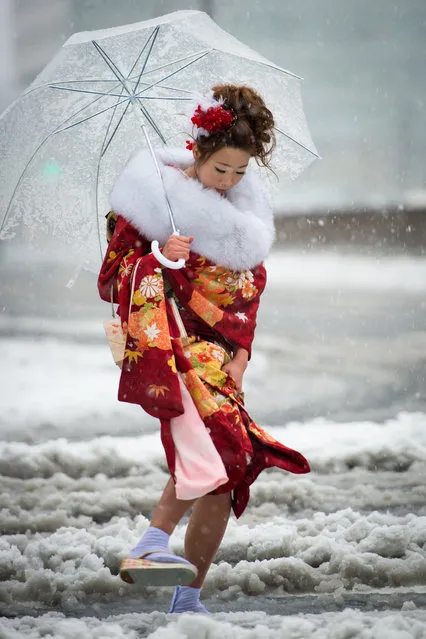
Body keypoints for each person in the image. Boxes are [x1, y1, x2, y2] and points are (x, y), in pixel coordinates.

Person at [98, 84, 310, 614]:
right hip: (173, 347)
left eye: (240, 173)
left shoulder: (243, 219)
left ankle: (187, 597)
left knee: (225, 474)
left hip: (219, 359)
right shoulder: (151, 206)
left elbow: (246, 297)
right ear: (197, 152)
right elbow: (112, 277)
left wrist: (241, 356)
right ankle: (151, 542)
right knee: (222, 451)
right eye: (221, 170)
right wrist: (156, 256)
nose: (229, 182)